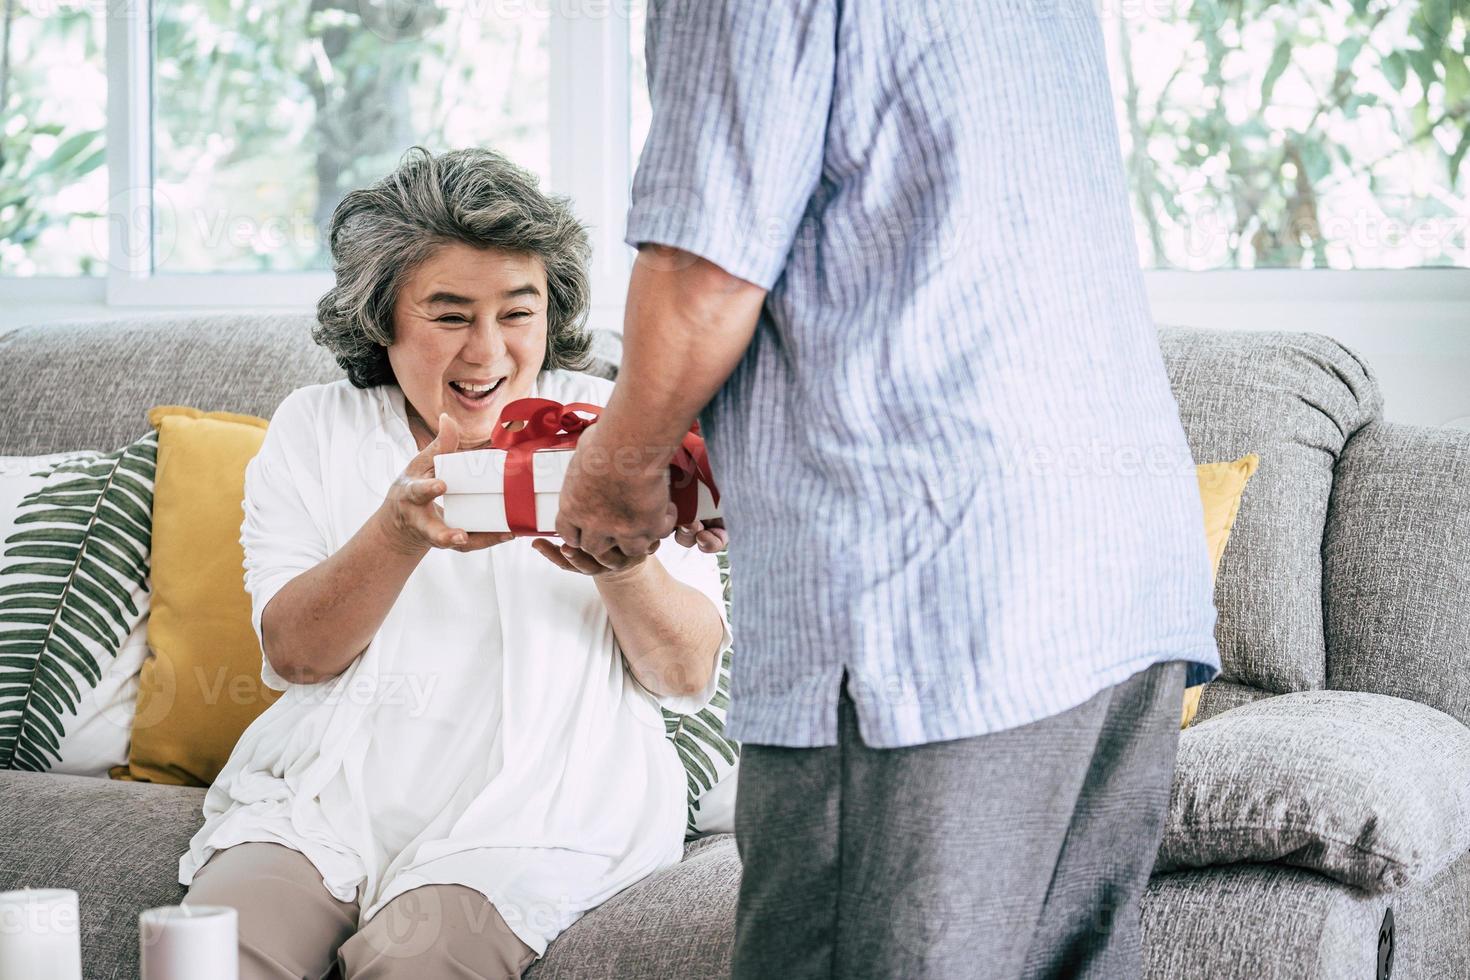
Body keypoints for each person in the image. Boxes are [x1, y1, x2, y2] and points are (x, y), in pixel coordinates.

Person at [555, 3, 1221, 977]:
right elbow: (925, 240)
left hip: (931, 596)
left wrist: (617, 469)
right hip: (1115, 573)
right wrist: (741, 445)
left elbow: (704, 272)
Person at [176, 147, 731, 980]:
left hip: (538, 804)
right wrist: (396, 532)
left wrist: (619, 564)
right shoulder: (316, 427)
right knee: (214, 956)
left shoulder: (618, 426)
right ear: (381, 318)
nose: (488, 351)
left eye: (517, 312)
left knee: (418, 964)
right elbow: (295, 654)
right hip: (329, 798)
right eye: (448, 315)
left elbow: (687, 674)